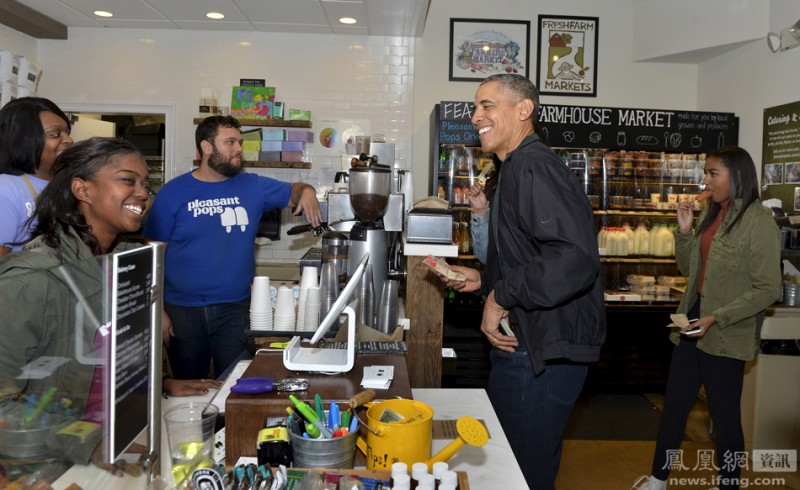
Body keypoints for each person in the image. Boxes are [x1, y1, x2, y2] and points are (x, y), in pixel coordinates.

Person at [0, 137, 215, 476]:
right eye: (128, 180)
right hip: (56, 468)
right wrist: (89, 440)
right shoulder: (29, 281)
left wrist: (160, 385)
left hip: (123, 444)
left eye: (146, 184)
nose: (143, 193)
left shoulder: (125, 264)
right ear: (82, 190)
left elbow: (104, 362)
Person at [435, 74, 606, 489]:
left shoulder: (532, 165)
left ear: (523, 110)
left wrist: (502, 295)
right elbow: (535, 253)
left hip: (540, 353)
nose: (476, 116)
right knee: (517, 468)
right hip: (532, 344)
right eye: (475, 108)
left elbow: (573, 256)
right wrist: (486, 278)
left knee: (519, 475)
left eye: (487, 106)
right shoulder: (513, 168)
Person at [636, 147, 782, 490]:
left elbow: (767, 289)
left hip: (726, 329)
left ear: (737, 176)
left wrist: (718, 317)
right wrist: (685, 231)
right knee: (674, 407)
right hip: (693, 322)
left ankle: (728, 484)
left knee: (725, 415)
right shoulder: (710, 214)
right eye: (706, 173)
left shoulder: (759, 224)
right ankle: (658, 479)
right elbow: (688, 269)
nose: (705, 180)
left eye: (713, 173)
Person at [143, 115, 323, 380]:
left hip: (235, 310)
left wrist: (307, 191)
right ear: (206, 147)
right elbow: (152, 257)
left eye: (239, 142)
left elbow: (295, 191)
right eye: (230, 142)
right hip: (181, 311)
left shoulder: (253, 186)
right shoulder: (173, 193)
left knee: (236, 384)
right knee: (190, 388)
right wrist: (157, 312)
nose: (238, 148)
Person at [0, 96, 73, 256]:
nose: (68, 140)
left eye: (67, 133)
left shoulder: (70, 185)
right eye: (55, 134)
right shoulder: (5, 189)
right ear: (24, 140)